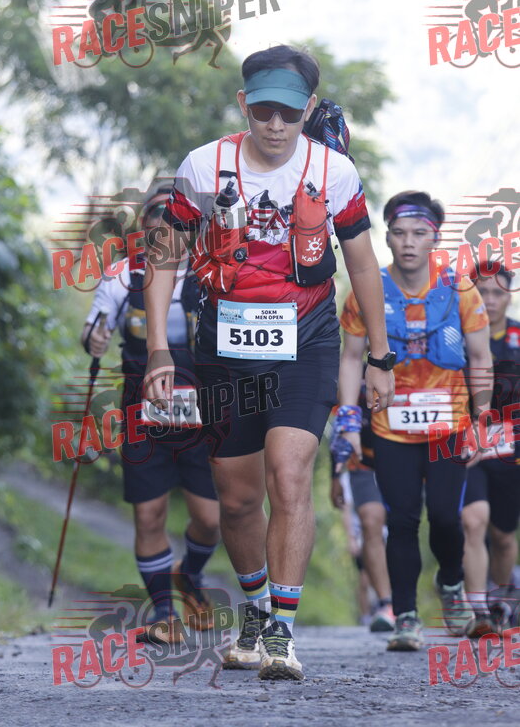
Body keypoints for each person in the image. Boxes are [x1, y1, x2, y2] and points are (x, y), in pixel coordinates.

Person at [143, 45, 394, 680]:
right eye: (263, 112)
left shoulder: (333, 171)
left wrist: (381, 356)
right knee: (235, 499)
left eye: (288, 112)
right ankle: (255, 609)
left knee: (289, 474)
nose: (275, 125)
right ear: (243, 105)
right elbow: (163, 256)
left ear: (307, 109)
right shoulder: (205, 166)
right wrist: (157, 350)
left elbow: (363, 264)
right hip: (223, 349)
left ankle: (281, 631)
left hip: (306, 342)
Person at [337, 190, 493, 651]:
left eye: (419, 233)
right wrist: (348, 419)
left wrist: (482, 417)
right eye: (399, 233)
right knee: (402, 520)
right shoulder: (366, 290)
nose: (408, 242)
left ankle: (451, 583)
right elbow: (350, 358)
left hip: (449, 426)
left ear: (435, 239)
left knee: (446, 517)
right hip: (391, 427)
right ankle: (406, 616)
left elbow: (481, 356)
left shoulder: (460, 290)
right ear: (386, 238)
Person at [81, 195, 220, 643]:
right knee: (149, 514)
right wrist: (94, 338)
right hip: (143, 407)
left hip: (203, 409)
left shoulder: (209, 273)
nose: (165, 239)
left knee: (212, 519)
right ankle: (164, 613)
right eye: (156, 230)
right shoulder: (123, 275)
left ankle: (190, 574)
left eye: (174, 230)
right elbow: (94, 328)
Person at [462, 264, 520, 635]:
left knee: (502, 535)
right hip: (468, 449)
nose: (490, 300)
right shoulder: (456, 336)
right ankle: (477, 610)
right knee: (473, 520)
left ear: (509, 296)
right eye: (482, 292)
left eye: (498, 293)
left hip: (511, 451)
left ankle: (501, 600)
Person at [330, 391, 394, 632]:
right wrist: (335, 476)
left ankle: (406, 601)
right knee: (370, 521)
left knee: (403, 526)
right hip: (362, 464)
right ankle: (385, 604)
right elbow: (339, 428)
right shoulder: (352, 379)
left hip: (402, 457)